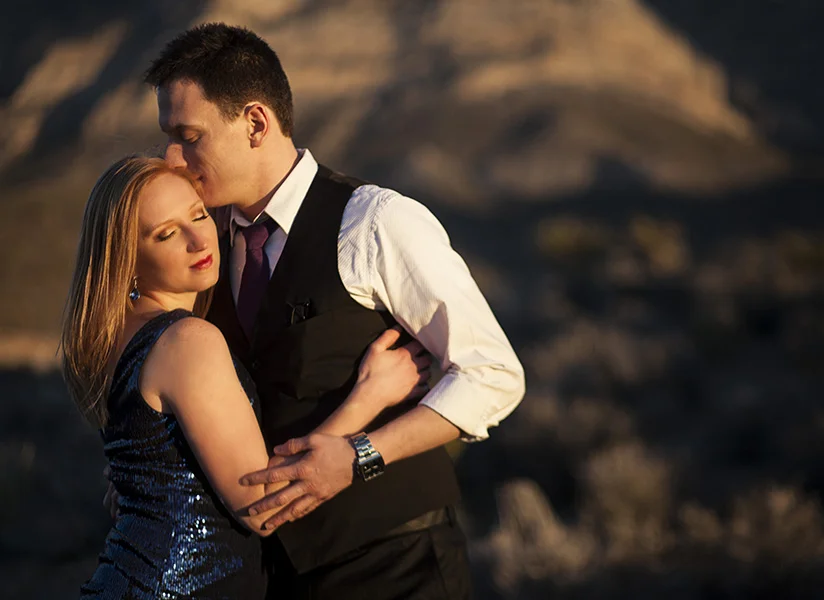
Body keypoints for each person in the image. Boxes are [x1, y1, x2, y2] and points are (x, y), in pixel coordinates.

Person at [144, 22, 526, 599]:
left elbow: (493, 374)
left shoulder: (377, 222)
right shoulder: (204, 247)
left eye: (188, 135)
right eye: (167, 137)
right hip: (276, 578)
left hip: (400, 568)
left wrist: (361, 455)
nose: (172, 158)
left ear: (254, 123)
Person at [64, 155, 433, 598]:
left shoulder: (116, 335)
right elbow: (261, 506)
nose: (199, 237)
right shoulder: (187, 340)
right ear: (127, 261)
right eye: (166, 233)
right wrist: (368, 398)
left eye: (199, 214)